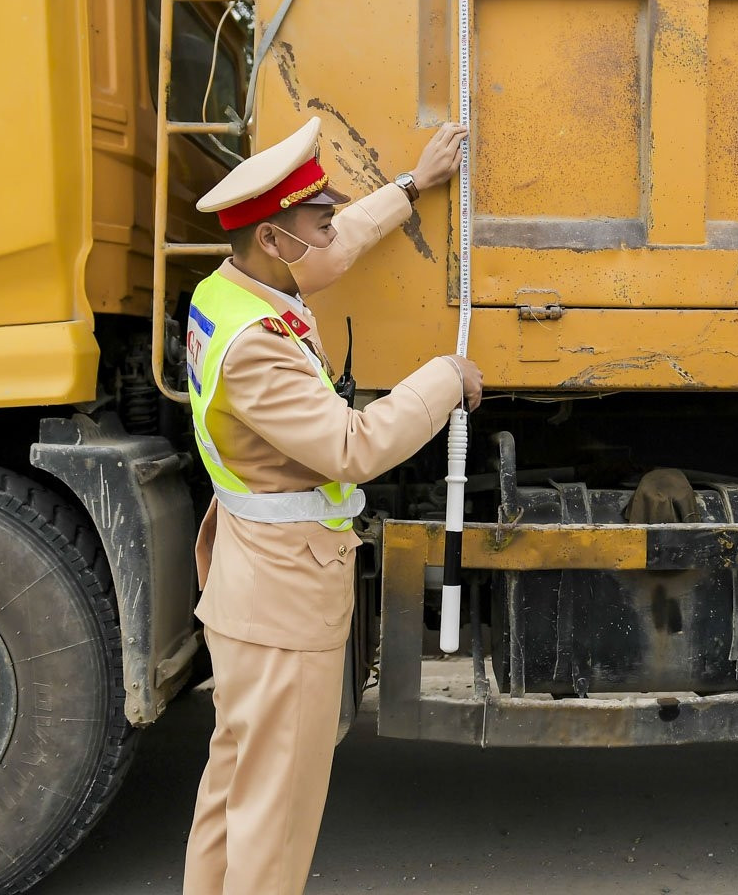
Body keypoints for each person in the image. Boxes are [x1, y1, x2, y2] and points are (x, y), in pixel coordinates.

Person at [180, 116, 481, 895]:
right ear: (277, 241)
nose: (330, 231)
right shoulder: (255, 345)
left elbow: (337, 244)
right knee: (276, 814)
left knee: (235, 788)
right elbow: (353, 448)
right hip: (283, 596)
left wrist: (414, 185)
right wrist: (444, 378)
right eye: (315, 221)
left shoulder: (231, 289)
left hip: (252, 583)